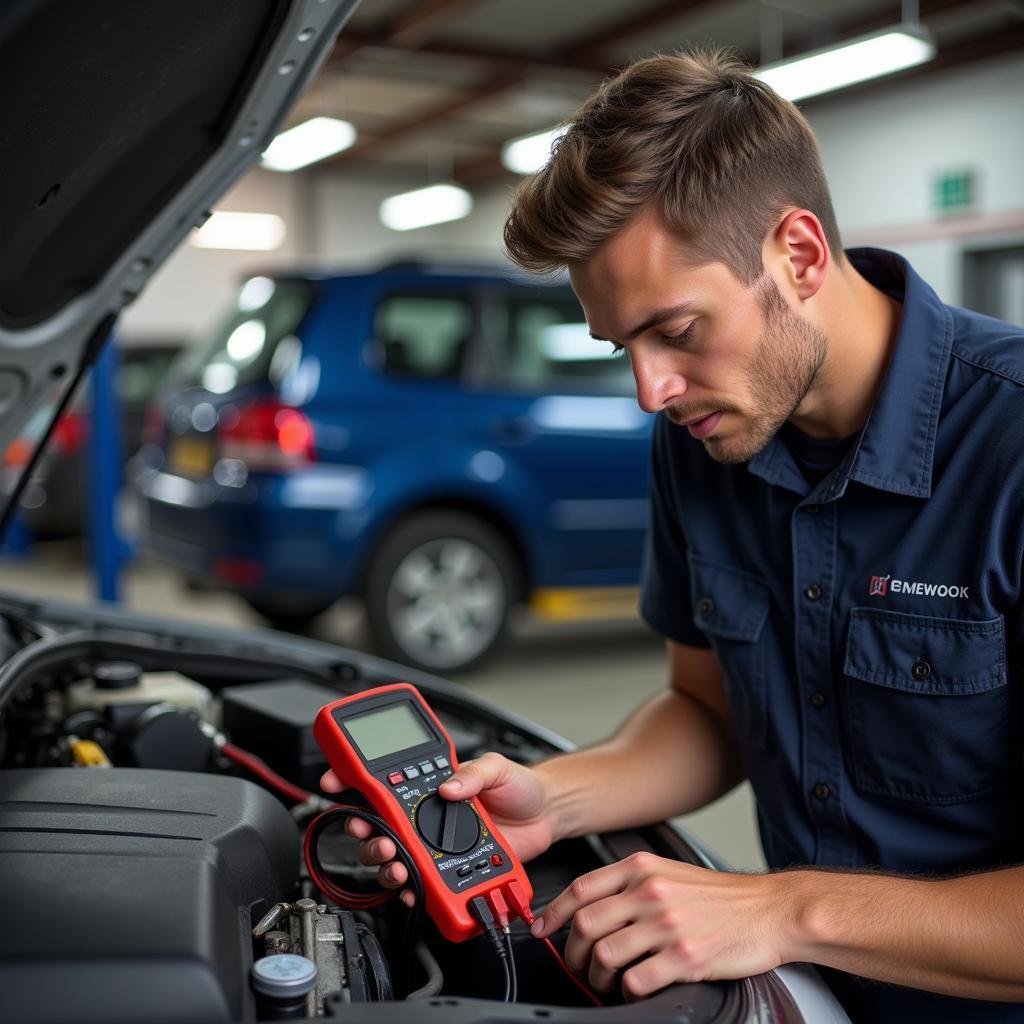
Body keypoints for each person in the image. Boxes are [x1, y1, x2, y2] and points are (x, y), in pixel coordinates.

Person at [323, 49, 1024, 1021]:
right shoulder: (702, 440)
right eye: (623, 349)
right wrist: (554, 798)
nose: (651, 390)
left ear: (800, 255)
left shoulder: (1011, 449)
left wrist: (783, 909)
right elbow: (708, 711)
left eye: (678, 330)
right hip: (816, 988)